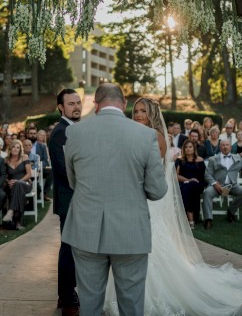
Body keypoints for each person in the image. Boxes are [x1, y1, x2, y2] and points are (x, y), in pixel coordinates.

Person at [103, 96, 242, 316]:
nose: (138, 115)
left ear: (151, 114)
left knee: (149, 244)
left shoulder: (156, 136)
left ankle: (147, 294)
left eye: (143, 111)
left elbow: (152, 170)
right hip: (138, 197)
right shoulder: (138, 134)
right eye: (136, 111)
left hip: (148, 196)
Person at [62, 84, 167, 316]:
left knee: (89, 305)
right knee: (131, 305)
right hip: (130, 231)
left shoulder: (75, 132)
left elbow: (72, 181)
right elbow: (157, 190)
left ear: (96, 104)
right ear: (125, 104)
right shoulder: (146, 135)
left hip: (85, 229)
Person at [49, 88, 83, 316]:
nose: (76, 107)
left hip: (75, 198)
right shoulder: (61, 133)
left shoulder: (73, 130)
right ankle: (67, 297)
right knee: (69, 248)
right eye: (71, 103)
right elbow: (65, 170)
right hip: (70, 198)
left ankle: (66, 293)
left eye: (78, 102)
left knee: (72, 247)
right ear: (61, 107)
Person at [202, 139, 242, 229]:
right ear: (220, 147)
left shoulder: (237, 158)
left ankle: (231, 212)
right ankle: (208, 219)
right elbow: (207, 174)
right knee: (207, 193)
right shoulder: (213, 159)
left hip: (232, 186)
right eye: (223, 145)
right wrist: (214, 183)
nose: (225, 147)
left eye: (227, 145)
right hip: (217, 185)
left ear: (230, 147)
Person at [2, 139, 33, 230]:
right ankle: (18, 223)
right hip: (11, 186)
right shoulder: (6, 160)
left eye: (18, 147)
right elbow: (3, 175)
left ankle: (10, 211)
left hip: (25, 183)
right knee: (18, 191)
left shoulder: (25, 157)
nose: (15, 149)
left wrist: (17, 181)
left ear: (20, 149)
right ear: (10, 148)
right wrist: (8, 181)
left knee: (19, 185)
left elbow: (29, 174)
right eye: (13, 147)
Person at [176, 139, 207, 228]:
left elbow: (203, 176)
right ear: (183, 149)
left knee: (191, 187)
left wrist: (193, 182)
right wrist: (189, 180)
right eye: (186, 147)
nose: (188, 149)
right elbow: (176, 176)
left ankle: (188, 217)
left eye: (190, 147)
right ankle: (192, 219)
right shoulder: (180, 160)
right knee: (188, 187)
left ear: (194, 148)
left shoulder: (199, 160)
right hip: (183, 184)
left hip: (198, 185)